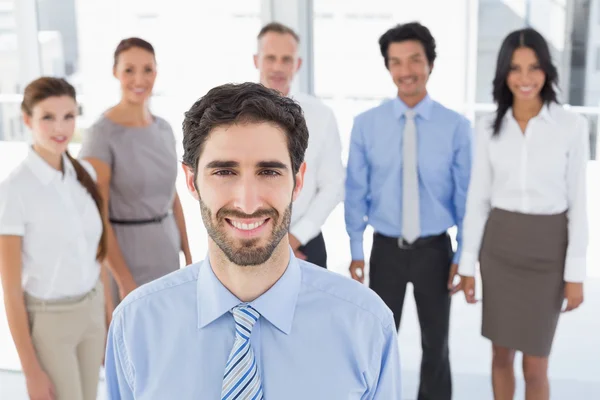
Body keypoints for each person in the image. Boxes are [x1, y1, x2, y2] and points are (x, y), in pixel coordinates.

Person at [104, 82, 401, 399]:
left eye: (269, 172)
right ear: (192, 181)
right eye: (224, 172)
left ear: (297, 181)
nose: (247, 203)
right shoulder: (136, 326)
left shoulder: (366, 325)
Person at [345, 22, 473, 400]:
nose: (406, 71)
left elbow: (466, 199)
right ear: (388, 68)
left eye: (415, 60)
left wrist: (464, 256)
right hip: (385, 250)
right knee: (378, 344)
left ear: (430, 63)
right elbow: (356, 192)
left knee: (437, 345)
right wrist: (355, 249)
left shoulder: (457, 127)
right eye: (396, 62)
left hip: (436, 250)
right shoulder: (366, 125)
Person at [459, 28, 588, 400]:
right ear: (504, 74)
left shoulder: (571, 126)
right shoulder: (487, 128)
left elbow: (579, 203)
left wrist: (575, 274)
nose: (525, 78)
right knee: (500, 355)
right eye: (515, 68)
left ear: (547, 70)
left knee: (535, 365)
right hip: (499, 250)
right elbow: (478, 200)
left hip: (549, 251)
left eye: (534, 67)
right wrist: (468, 265)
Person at [0, 77, 107, 400]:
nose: (60, 127)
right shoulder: (14, 191)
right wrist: (31, 370)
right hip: (49, 322)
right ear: (27, 120)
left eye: (69, 116)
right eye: (48, 117)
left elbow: (96, 255)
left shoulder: (84, 174)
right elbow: (10, 291)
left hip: (92, 313)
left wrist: (107, 316)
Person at [79, 37, 192, 310]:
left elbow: (171, 196)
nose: (139, 79)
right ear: (115, 72)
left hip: (167, 254)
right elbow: (97, 216)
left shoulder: (164, 129)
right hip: (126, 257)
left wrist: (188, 257)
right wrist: (124, 279)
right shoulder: (101, 134)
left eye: (147, 69)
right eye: (129, 70)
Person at [253, 22, 344, 268]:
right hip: (248, 239)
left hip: (304, 242)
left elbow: (333, 184)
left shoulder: (321, 116)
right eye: (270, 58)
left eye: (286, 59)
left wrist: (294, 238)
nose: (278, 67)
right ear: (256, 60)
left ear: (298, 65)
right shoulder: (233, 116)